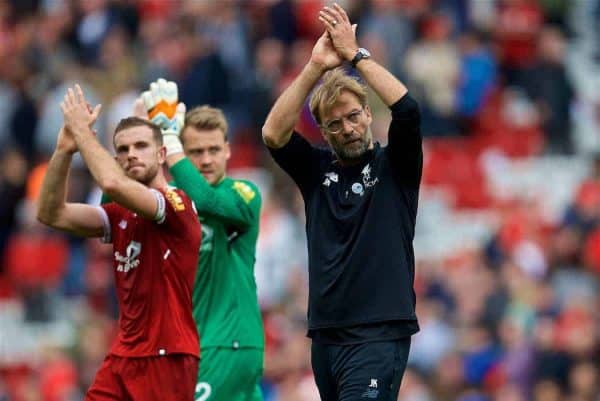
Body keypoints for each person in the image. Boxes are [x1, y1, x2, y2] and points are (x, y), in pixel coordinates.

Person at [261, 4, 422, 401]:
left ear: (368, 114)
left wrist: (356, 56)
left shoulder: (396, 166)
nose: (347, 128)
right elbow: (273, 133)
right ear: (324, 131)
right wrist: (315, 67)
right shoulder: (315, 170)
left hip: (378, 333)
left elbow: (406, 109)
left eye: (353, 116)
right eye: (334, 123)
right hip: (326, 336)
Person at [37, 85, 201, 401]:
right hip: (124, 354)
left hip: (167, 354)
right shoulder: (118, 215)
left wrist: (84, 134)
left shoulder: (176, 203)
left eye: (141, 146)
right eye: (123, 150)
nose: (131, 154)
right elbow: (50, 213)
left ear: (162, 153)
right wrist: (63, 151)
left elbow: (112, 182)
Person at [140, 80, 264, 401]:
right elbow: (110, 208)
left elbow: (206, 202)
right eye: (196, 152)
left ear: (228, 150)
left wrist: (171, 142)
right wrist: (142, 138)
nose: (206, 160)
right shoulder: (172, 203)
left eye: (213, 150)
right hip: (195, 344)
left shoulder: (243, 194)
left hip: (228, 341)